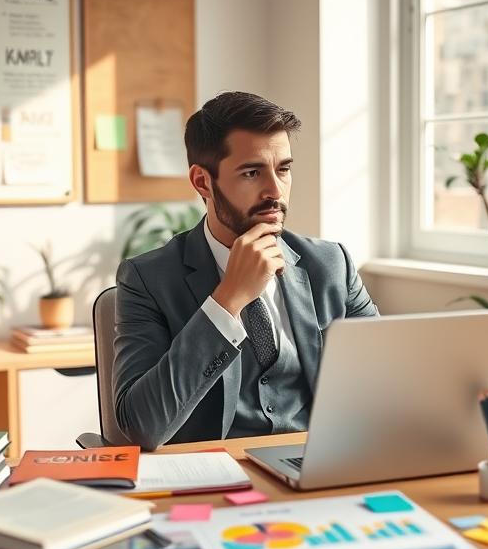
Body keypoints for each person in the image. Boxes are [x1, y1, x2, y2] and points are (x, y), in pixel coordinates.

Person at [113, 91, 377, 450]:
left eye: (283, 169)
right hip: (215, 477)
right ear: (203, 182)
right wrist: (227, 301)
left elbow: (386, 382)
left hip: (319, 466)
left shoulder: (331, 265)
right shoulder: (147, 280)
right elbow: (141, 427)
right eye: (252, 172)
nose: (275, 190)